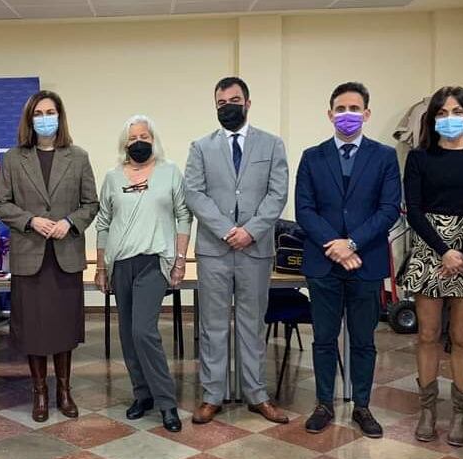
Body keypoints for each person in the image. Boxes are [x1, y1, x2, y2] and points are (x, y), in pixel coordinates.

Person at [295, 82, 401, 438]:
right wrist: (334, 245)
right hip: (323, 262)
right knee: (323, 338)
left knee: (364, 340)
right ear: (329, 114)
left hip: (365, 261)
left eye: (354, 109)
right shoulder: (312, 156)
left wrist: (352, 243)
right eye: (340, 109)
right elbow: (305, 210)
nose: (347, 115)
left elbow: (388, 210)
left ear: (367, 114)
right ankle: (324, 403)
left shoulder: (384, 156)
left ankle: (362, 406)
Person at [184, 76, 290, 425]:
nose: (227, 107)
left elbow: (277, 195)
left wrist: (251, 231)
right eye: (221, 103)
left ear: (247, 102)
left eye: (234, 100)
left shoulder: (272, 145)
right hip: (214, 250)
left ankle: (257, 394)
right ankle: (212, 395)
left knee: (251, 324)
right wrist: (228, 231)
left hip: (255, 250)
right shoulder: (200, 147)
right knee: (213, 325)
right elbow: (195, 194)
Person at [0, 90, 99, 423]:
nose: (44, 118)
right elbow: (0, 204)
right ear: (29, 119)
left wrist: (69, 223)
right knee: (35, 329)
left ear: (60, 116)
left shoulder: (78, 156)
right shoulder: (13, 158)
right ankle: (39, 392)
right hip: (30, 255)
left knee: (64, 328)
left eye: (50, 112)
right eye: (38, 113)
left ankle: (64, 391)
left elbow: (91, 204)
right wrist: (30, 220)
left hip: (64, 255)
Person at [400, 86, 463, 446]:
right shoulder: (421, 157)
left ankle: (460, 414)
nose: (449, 118)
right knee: (427, 334)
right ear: (432, 119)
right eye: (442, 113)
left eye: (456, 111)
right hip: (430, 248)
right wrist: (443, 250)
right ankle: (427, 409)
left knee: (462, 336)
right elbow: (414, 209)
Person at [95, 115, 191, 433]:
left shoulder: (169, 173)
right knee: (127, 334)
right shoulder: (112, 177)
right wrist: (101, 266)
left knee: (143, 331)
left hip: (155, 261)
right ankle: (142, 395)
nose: (139, 141)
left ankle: (166, 403)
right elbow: (104, 222)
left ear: (153, 139)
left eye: (144, 136)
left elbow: (183, 216)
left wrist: (180, 260)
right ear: (124, 144)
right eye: (133, 137)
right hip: (121, 263)